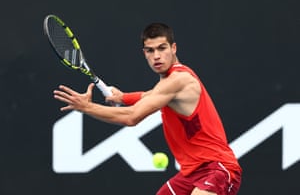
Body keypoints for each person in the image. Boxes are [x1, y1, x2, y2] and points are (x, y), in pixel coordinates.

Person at [53, 23, 242, 195]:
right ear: (144, 53)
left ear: (173, 48)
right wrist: (123, 97)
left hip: (217, 168)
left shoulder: (179, 80)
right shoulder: (167, 84)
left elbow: (131, 117)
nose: (156, 56)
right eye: (150, 51)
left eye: (162, 48)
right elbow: (150, 95)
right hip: (191, 173)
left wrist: (87, 107)